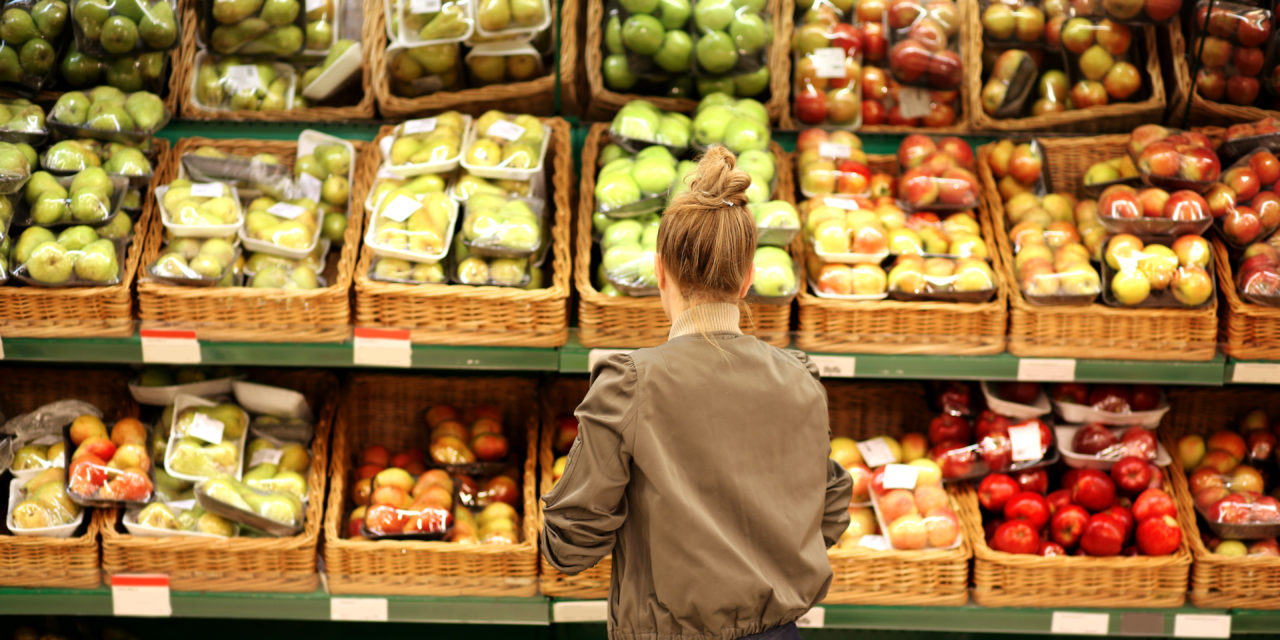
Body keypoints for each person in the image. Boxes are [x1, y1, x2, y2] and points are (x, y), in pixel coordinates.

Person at [541, 146, 853, 640]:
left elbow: (571, 543)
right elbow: (831, 511)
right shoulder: (801, 378)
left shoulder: (628, 385)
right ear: (749, 278)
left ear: (660, 272)